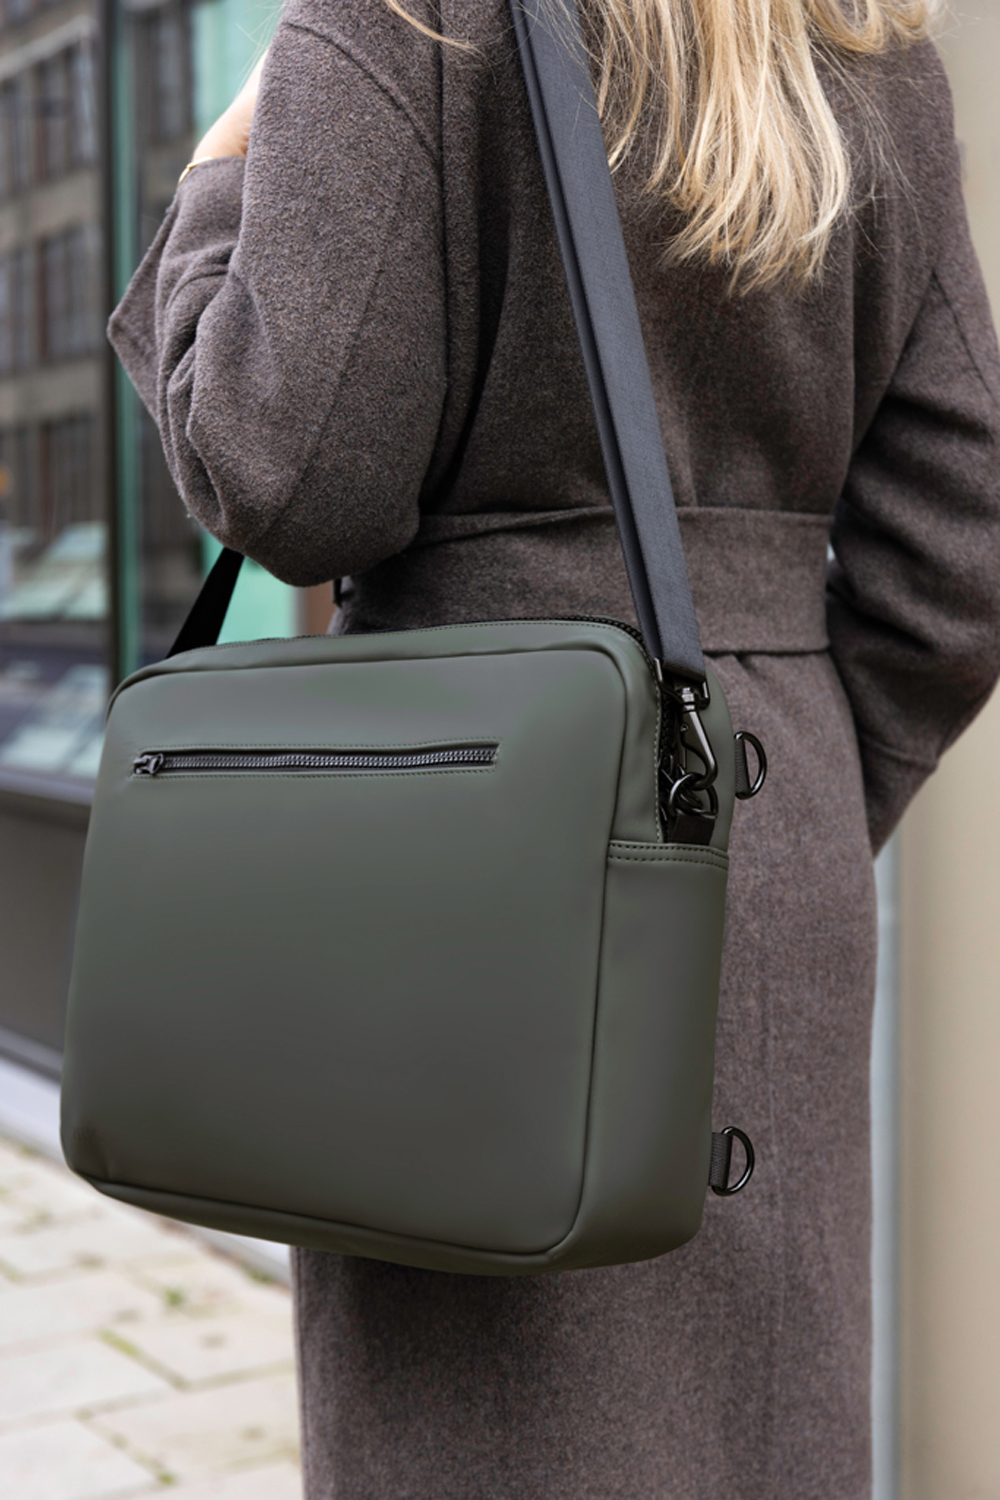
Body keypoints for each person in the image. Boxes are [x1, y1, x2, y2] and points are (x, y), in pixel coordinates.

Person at [108, 0, 1000, 1493]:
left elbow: (292, 475)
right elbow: (962, 556)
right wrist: (760, 816)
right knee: (757, 1432)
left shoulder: (405, 21)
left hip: (463, 845)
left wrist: (217, 178)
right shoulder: (863, 46)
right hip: (757, 819)